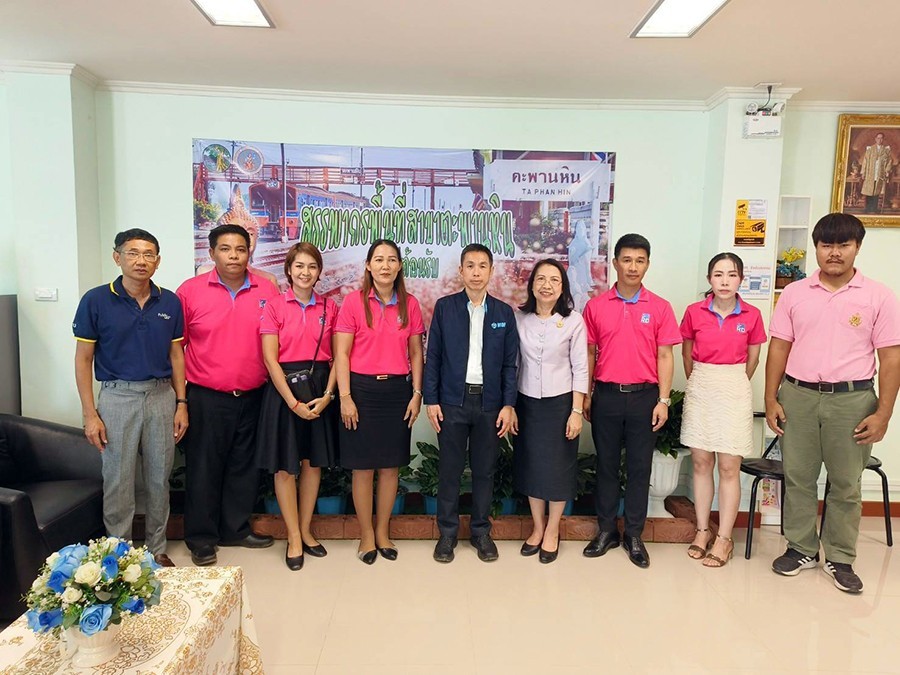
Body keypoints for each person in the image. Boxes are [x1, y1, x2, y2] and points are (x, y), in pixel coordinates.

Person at [766, 213, 900, 593]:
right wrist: (770, 397)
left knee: (845, 482)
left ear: (857, 247)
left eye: (844, 245)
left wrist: (883, 413)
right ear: (816, 248)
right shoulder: (795, 294)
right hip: (798, 397)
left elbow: (891, 358)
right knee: (798, 476)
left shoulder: (879, 297)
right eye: (827, 245)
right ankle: (801, 548)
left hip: (852, 400)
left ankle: (840, 556)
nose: (835, 253)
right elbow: (779, 347)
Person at [73, 229, 187, 568]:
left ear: (158, 261)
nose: (141, 260)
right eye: (133, 253)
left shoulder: (169, 302)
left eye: (149, 254)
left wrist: (181, 403)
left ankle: (156, 549)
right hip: (117, 397)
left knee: (159, 478)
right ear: (117, 257)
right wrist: (90, 414)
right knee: (118, 481)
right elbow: (83, 359)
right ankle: (118, 555)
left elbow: (177, 355)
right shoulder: (96, 300)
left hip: (161, 395)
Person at [176, 223, 280, 566]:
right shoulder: (190, 292)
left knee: (244, 466)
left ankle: (235, 529)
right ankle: (201, 539)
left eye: (240, 249)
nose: (234, 256)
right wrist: (181, 400)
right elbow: (176, 349)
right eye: (225, 249)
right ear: (211, 253)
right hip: (207, 396)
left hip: (254, 394)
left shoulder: (267, 289)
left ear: (250, 252)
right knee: (203, 468)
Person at [581, 233, 681, 568]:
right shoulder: (596, 307)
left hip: (645, 398)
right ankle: (606, 530)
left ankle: (634, 535)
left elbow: (665, 356)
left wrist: (663, 400)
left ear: (647, 264)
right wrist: (587, 395)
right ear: (615, 263)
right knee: (606, 466)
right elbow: (589, 353)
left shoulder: (660, 307)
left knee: (640, 468)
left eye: (640, 260)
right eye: (626, 260)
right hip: (606, 396)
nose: (633, 267)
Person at [424, 243, 518, 564]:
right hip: (452, 401)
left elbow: (509, 366)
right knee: (449, 470)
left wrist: (508, 405)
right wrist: (432, 400)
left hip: (490, 404)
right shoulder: (445, 307)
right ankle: (447, 534)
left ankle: (480, 532)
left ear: (491, 271)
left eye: (482, 266)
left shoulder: (503, 313)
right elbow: (434, 356)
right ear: (461, 271)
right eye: (470, 266)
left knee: (484, 471)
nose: (476, 272)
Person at [334, 239, 425, 564]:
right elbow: (341, 354)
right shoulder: (353, 302)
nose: (385, 265)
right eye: (378, 259)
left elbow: (416, 353)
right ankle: (366, 535)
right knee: (362, 469)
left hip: (397, 393)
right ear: (368, 265)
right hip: (361, 392)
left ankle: (383, 532)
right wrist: (345, 397)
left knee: (389, 468)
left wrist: (417, 394)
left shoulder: (410, 304)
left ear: (399, 266)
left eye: (391, 260)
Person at [680, 252, 766, 567]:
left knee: (729, 467)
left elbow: (753, 359)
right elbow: (687, 355)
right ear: (709, 279)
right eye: (718, 274)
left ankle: (725, 538)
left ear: (740, 279)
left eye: (731, 275)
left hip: (734, 389)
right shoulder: (694, 312)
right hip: (701, 386)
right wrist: (701, 382)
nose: (725, 281)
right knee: (701, 463)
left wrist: (732, 382)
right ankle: (703, 530)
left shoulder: (753, 315)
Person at [257, 243, 339, 571]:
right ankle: (292, 536)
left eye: (312, 267)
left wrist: (329, 395)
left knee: (312, 463)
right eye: (299, 266)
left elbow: (340, 356)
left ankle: (305, 530)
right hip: (283, 391)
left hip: (319, 389)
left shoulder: (330, 308)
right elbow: (270, 359)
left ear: (319, 272)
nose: (305, 272)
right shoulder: (274, 306)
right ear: (289, 270)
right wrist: (292, 403)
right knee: (284, 467)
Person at [512, 259, 588, 564]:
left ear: (563, 287)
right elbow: (513, 364)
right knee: (532, 464)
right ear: (532, 285)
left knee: (558, 468)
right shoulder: (519, 319)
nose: (547, 285)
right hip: (526, 403)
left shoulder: (573, 321)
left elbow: (581, 368)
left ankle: (553, 530)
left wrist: (576, 411)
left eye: (554, 280)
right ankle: (537, 527)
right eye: (541, 279)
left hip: (561, 404)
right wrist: (510, 405)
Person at [860, 132, 893, 214]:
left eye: (881, 138)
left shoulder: (886, 150)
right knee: (869, 191)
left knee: (876, 191)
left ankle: (874, 208)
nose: (879, 140)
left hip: (880, 173)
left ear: (883, 139)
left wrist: (887, 171)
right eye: (878, 138)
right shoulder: (870, 149)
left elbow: (889, 161)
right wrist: (863, 172)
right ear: (875, 139)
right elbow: (865, 161)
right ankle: (868, 208)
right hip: (870, 173)